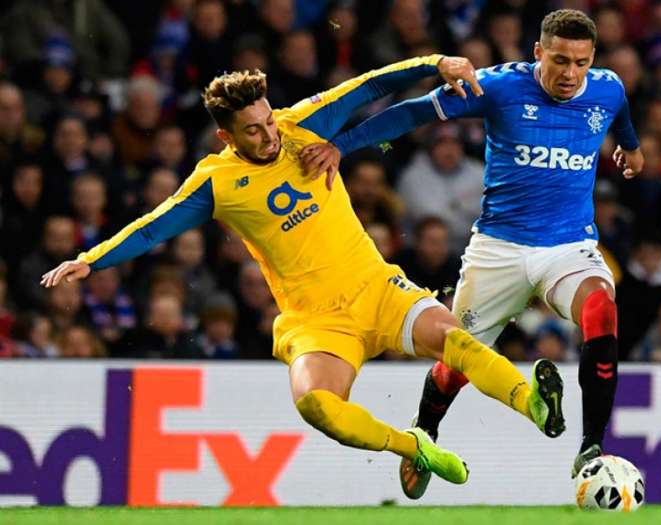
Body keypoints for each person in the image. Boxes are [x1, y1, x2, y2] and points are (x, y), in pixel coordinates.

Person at [40, 55, 565, 487]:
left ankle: (534, 405)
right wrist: (90, 260)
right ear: (227, 138)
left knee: (458, 339)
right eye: (254, 130)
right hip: (317, 322)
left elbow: (367, 86)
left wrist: (436, 63)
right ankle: (415, 446)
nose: (269, 135)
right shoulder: (217, 183)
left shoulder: (300, 126)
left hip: (377, 288)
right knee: (318, 407)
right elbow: (154, 227)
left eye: (269, 121)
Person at [303, 9, 644, 496]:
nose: (571, 74)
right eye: (561, 60)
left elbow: (622, 116)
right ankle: (424, 433)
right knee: (457, 359)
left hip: (568, 246)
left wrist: (631, 150)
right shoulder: (499, 87)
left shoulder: (606, 89)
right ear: (538, 53)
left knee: (601, 308)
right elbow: (416, 111)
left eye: (581, 63)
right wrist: (343, 145)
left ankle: (591, 446)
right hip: (498, 249)